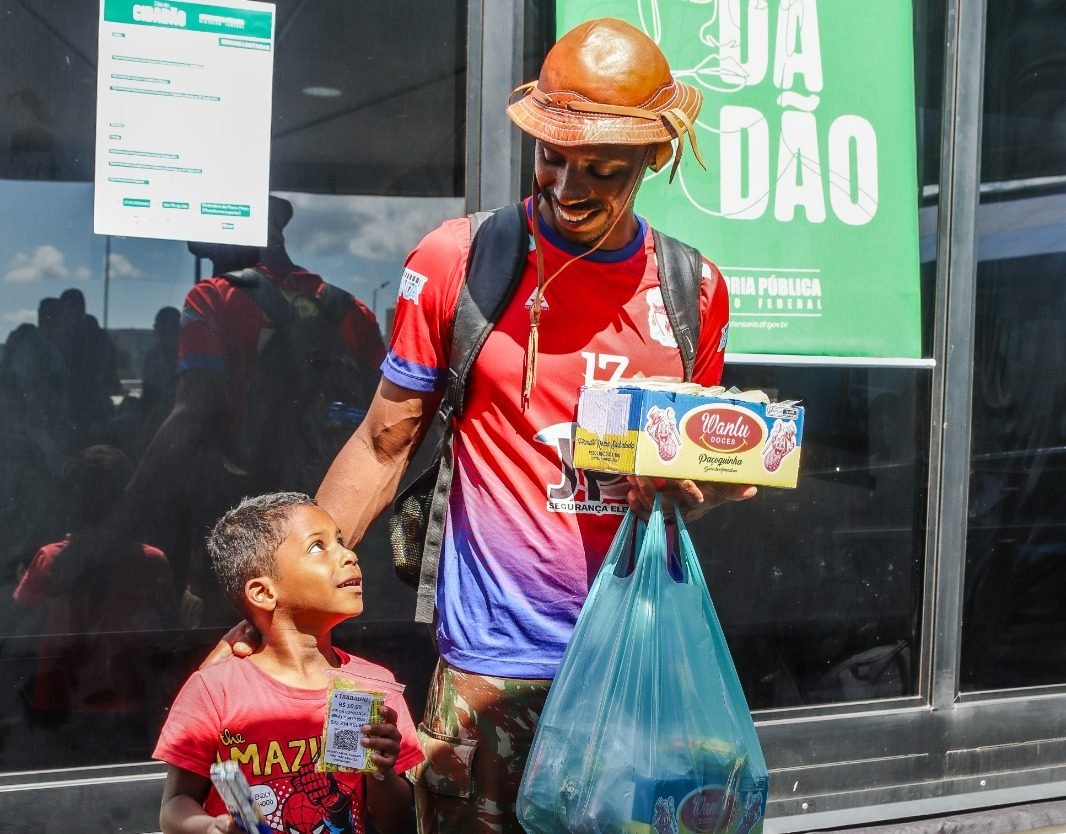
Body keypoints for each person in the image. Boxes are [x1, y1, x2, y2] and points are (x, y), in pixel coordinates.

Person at [222, 17, 756, 833]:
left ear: (655, 157)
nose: (568, 187)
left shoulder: (695, 290)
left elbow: (694, 475)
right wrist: (290, 606)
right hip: (490, 672)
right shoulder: (460, 260)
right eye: (551, 157)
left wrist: (705, 486)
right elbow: (382, 441)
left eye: (602, 170)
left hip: (635, 668)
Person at [119, 196, 387, 623]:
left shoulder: (214, 299)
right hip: (330, 515)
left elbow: (195, 411)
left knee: (232, 638)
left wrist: (129, 504)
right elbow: (386, 425)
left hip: (239, 517)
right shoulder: (351, 310)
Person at [154, 492, 423, 834]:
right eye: (317, 547)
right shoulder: (213, 689)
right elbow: (174, 805)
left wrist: (381, 772)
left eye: (340, 542)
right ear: (263, 593)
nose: (349, 555)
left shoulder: (373, 685)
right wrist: (212, 828)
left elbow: (395, 822)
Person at [12, 445, 176, 759]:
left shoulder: (49, 558)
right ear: (125, 500)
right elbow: (168, 634)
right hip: (128, 699)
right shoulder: (152, 561)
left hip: (60, 701)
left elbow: (22, 628)